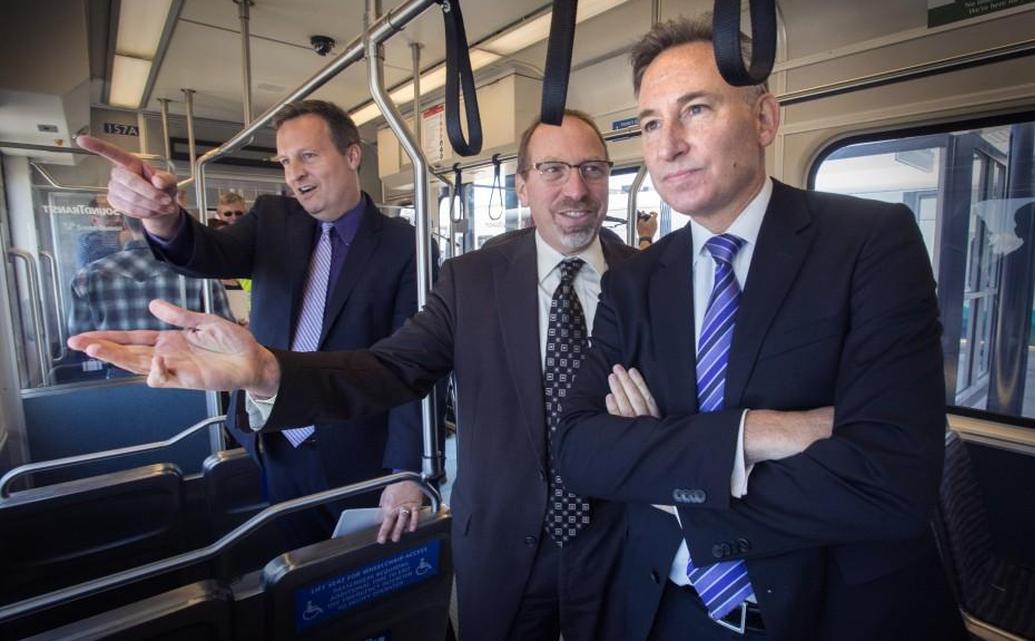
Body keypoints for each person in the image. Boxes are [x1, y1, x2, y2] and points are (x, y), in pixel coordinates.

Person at [70, 110, 637, 641]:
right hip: (465, 527)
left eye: (592, 169)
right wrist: (267, 370)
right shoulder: (470, 276)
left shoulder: (644, 278)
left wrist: (404, 470)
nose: (575, 189)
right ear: (522, 186)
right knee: (311, 593)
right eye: (553, 170)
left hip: (618, 538)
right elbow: (393, 365)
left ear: (351, 155)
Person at [553, 16, 966, 641]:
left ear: (765, 119)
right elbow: (579, 449)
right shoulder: (635, 283)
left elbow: (892, 478)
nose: (667, 147)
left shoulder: (870, 245)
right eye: (649, 124)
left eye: (695, 110)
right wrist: (759, 434)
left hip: (833, 616)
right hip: (669, 613)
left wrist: (663, 469)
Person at [75, 100, 425, 548]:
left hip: (361, 454)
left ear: (352, 155)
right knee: (296, 582)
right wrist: (162, 218)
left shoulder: (403, 245)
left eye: (308, 156)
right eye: (284, 161)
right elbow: (207, 253)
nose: (294, 173)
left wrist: (405, 471)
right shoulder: (273, 220)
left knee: (373, 584)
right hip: (276, 440)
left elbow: (411, 364)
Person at [68, 216, 234, 335]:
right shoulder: (200, 272)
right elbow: (226, 331)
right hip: (189, 372)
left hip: (117, 376)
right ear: (173, 224)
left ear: (126, 225)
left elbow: (79, 337)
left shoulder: (87, 277)